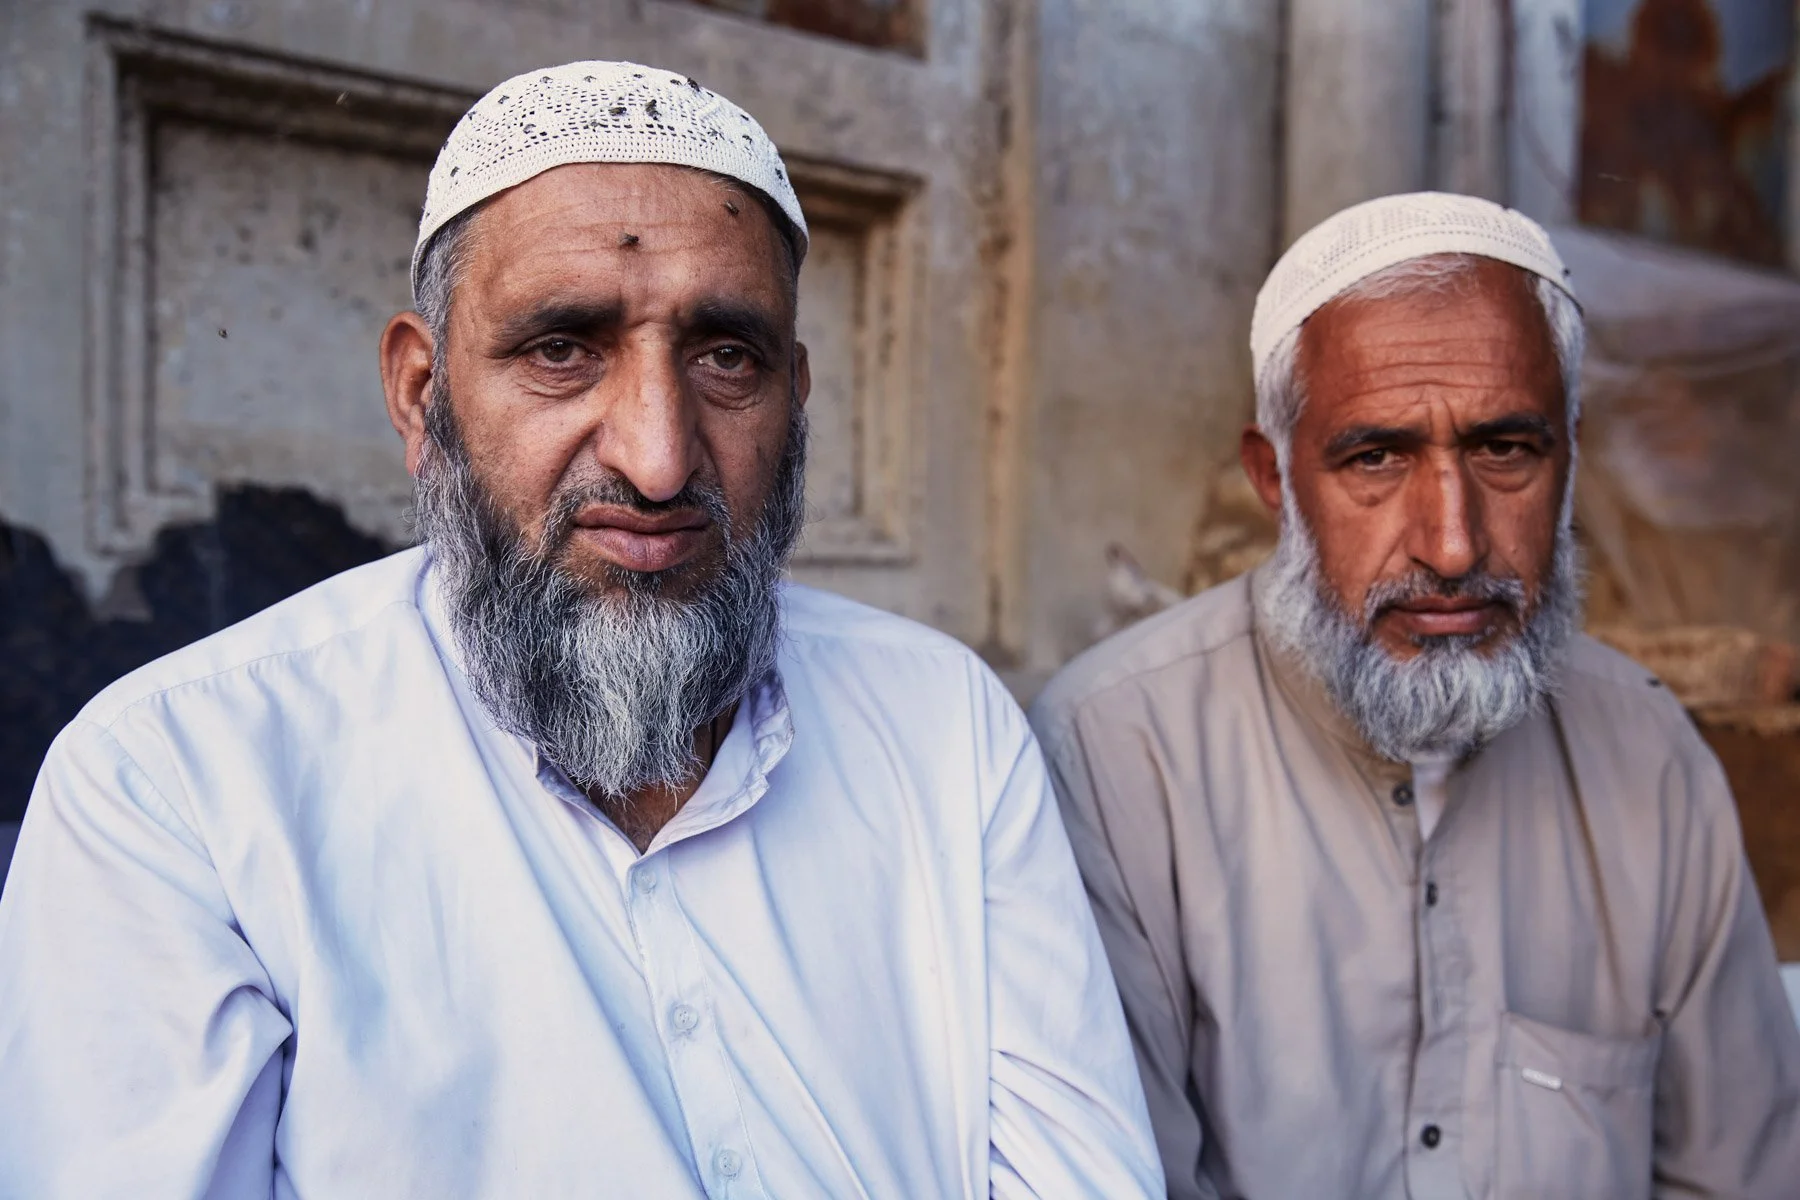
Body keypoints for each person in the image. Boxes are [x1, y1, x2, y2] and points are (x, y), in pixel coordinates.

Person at [0, 62, 1162, 1198]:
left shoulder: (945, 723)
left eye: (725, 358)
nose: (658, 457)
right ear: (421, 393)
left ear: (794, 396)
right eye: (562, 349)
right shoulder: (176, 785)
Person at [1030, 192, 1800, 1199]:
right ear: (1274, 478)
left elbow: (1739, 1174)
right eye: (1376, 457)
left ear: (1570, 459)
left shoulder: (1649, 753)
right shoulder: (1115, 753)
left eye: (1505, 450)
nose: (1452, 543)